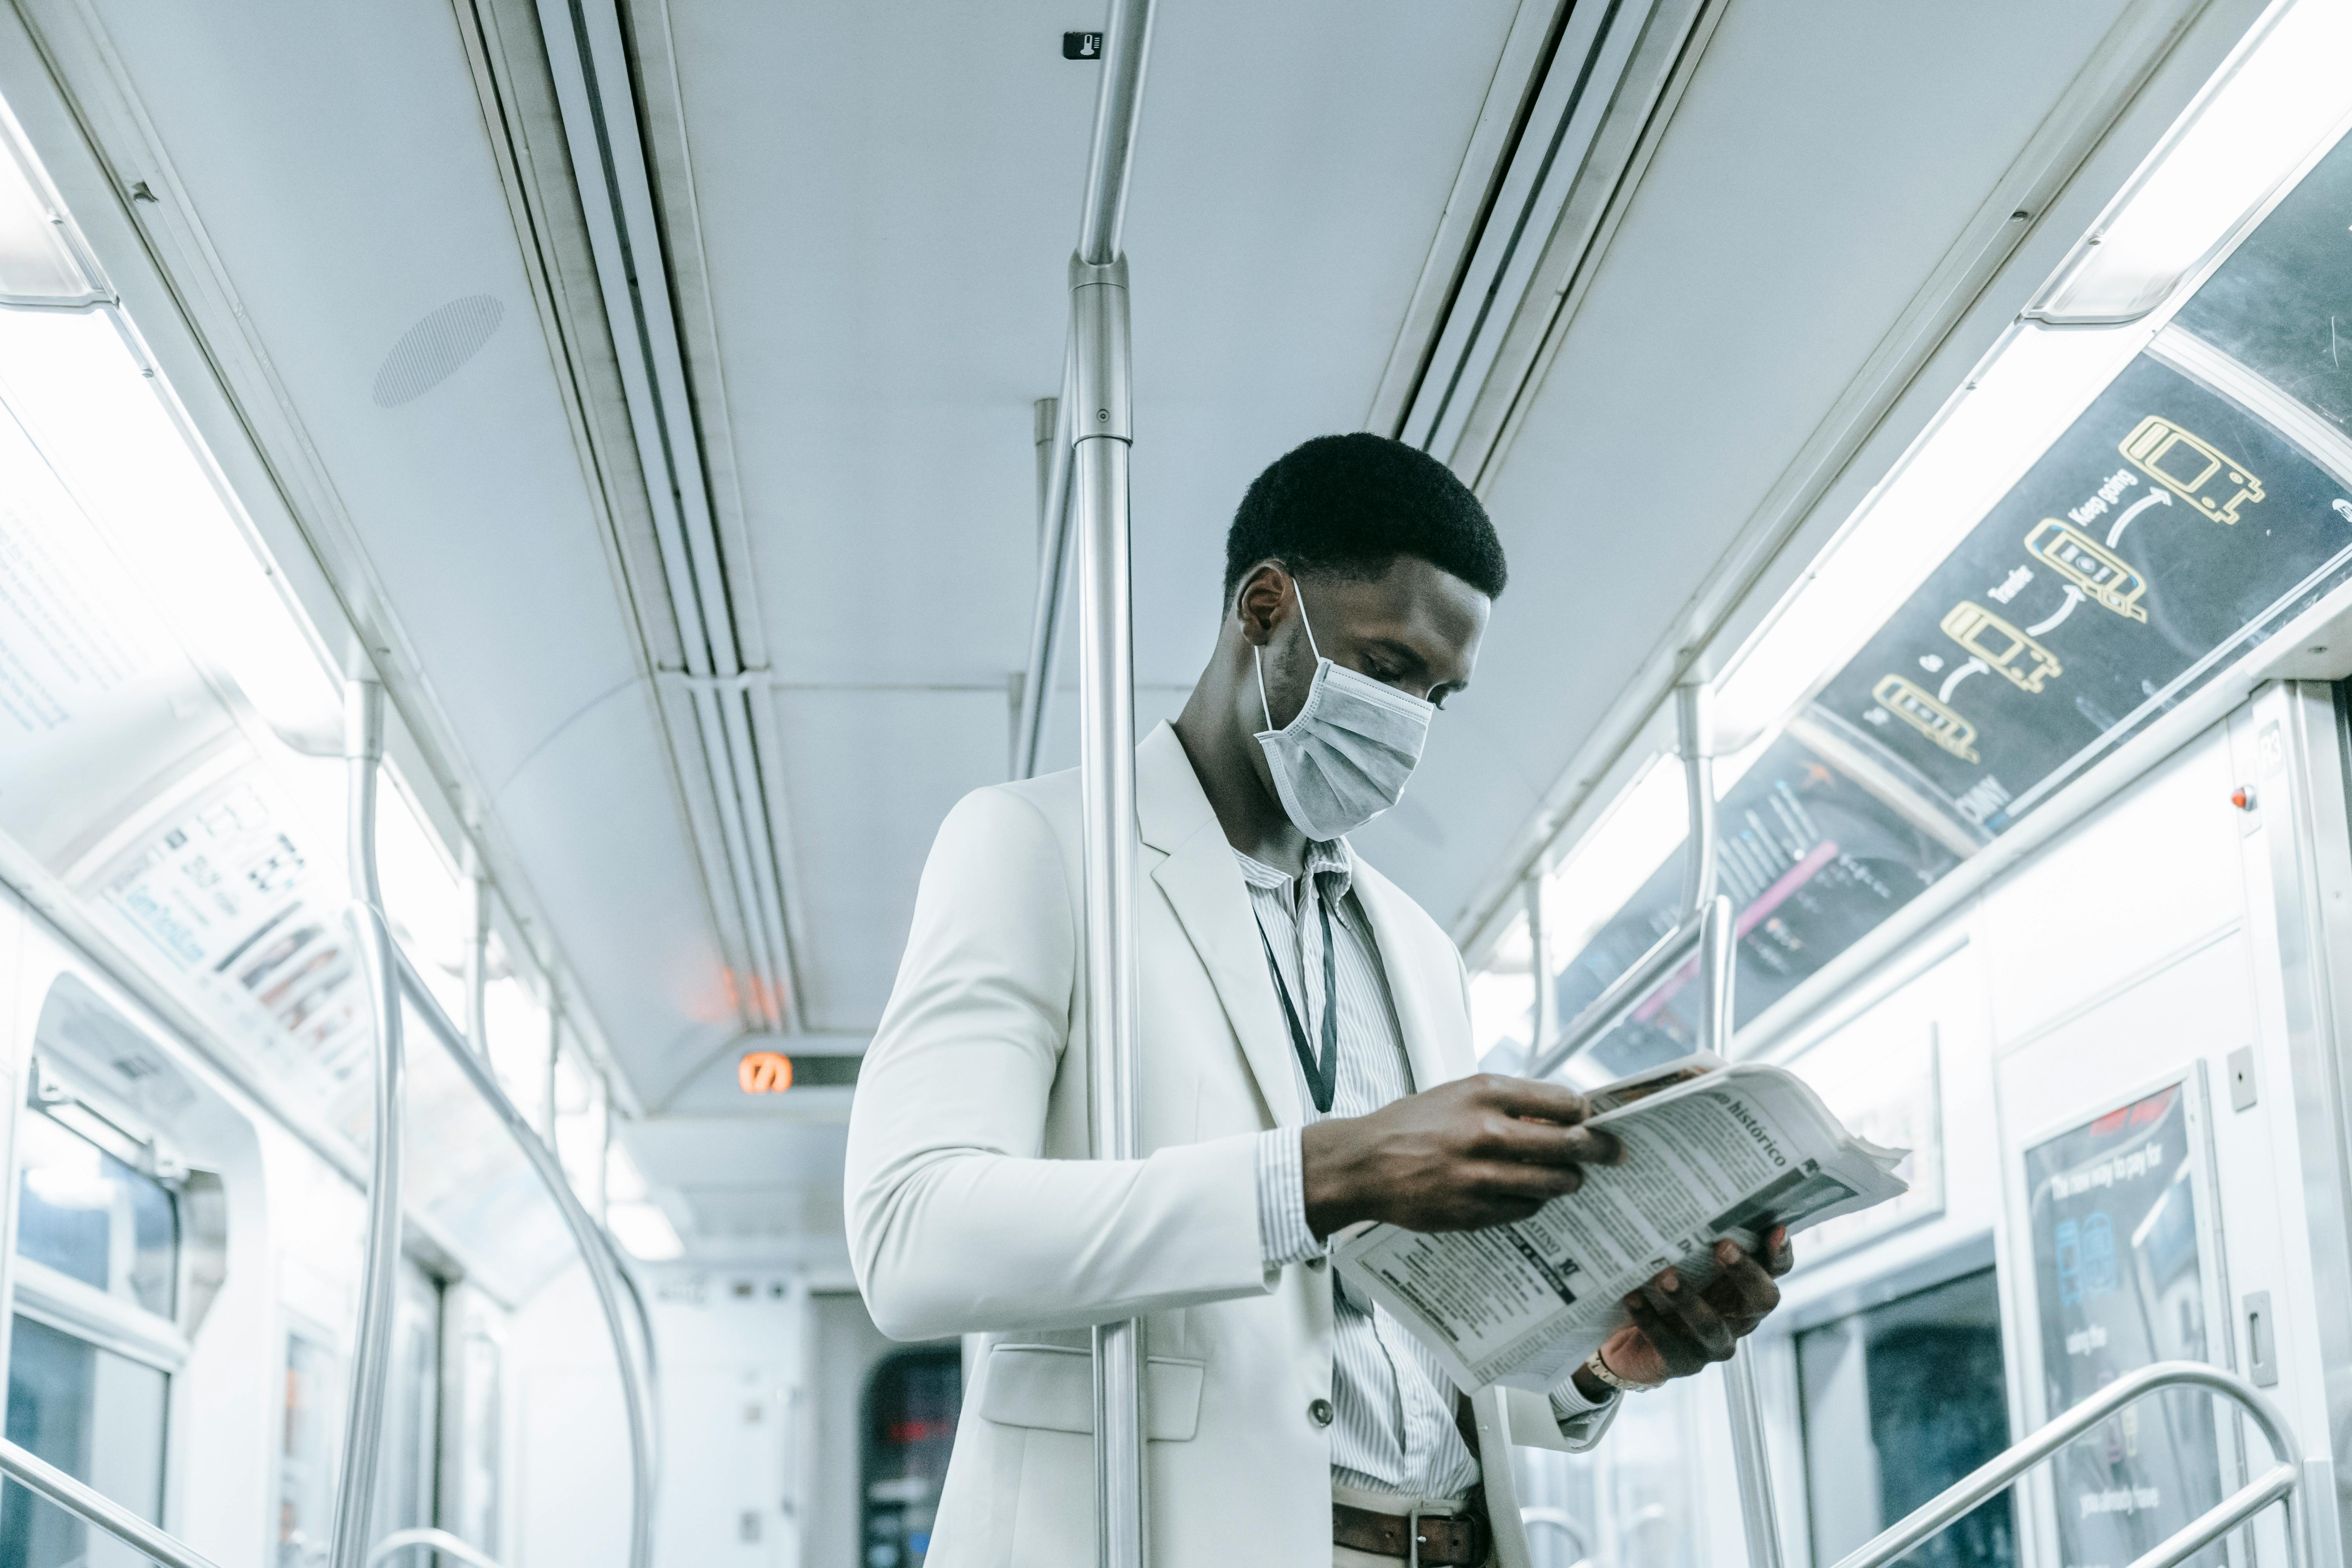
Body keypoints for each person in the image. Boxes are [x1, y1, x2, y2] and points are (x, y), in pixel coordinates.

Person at [845, 433, 1793, 1567]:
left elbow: (1407, 1359)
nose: (1412, 724)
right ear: (1265, 607)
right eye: (1388, 669)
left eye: (1439, 696)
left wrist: (1598, 1365)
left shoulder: (1419, 951)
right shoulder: (1042, 847)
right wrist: (1322, 1176)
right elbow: (912, 1234)